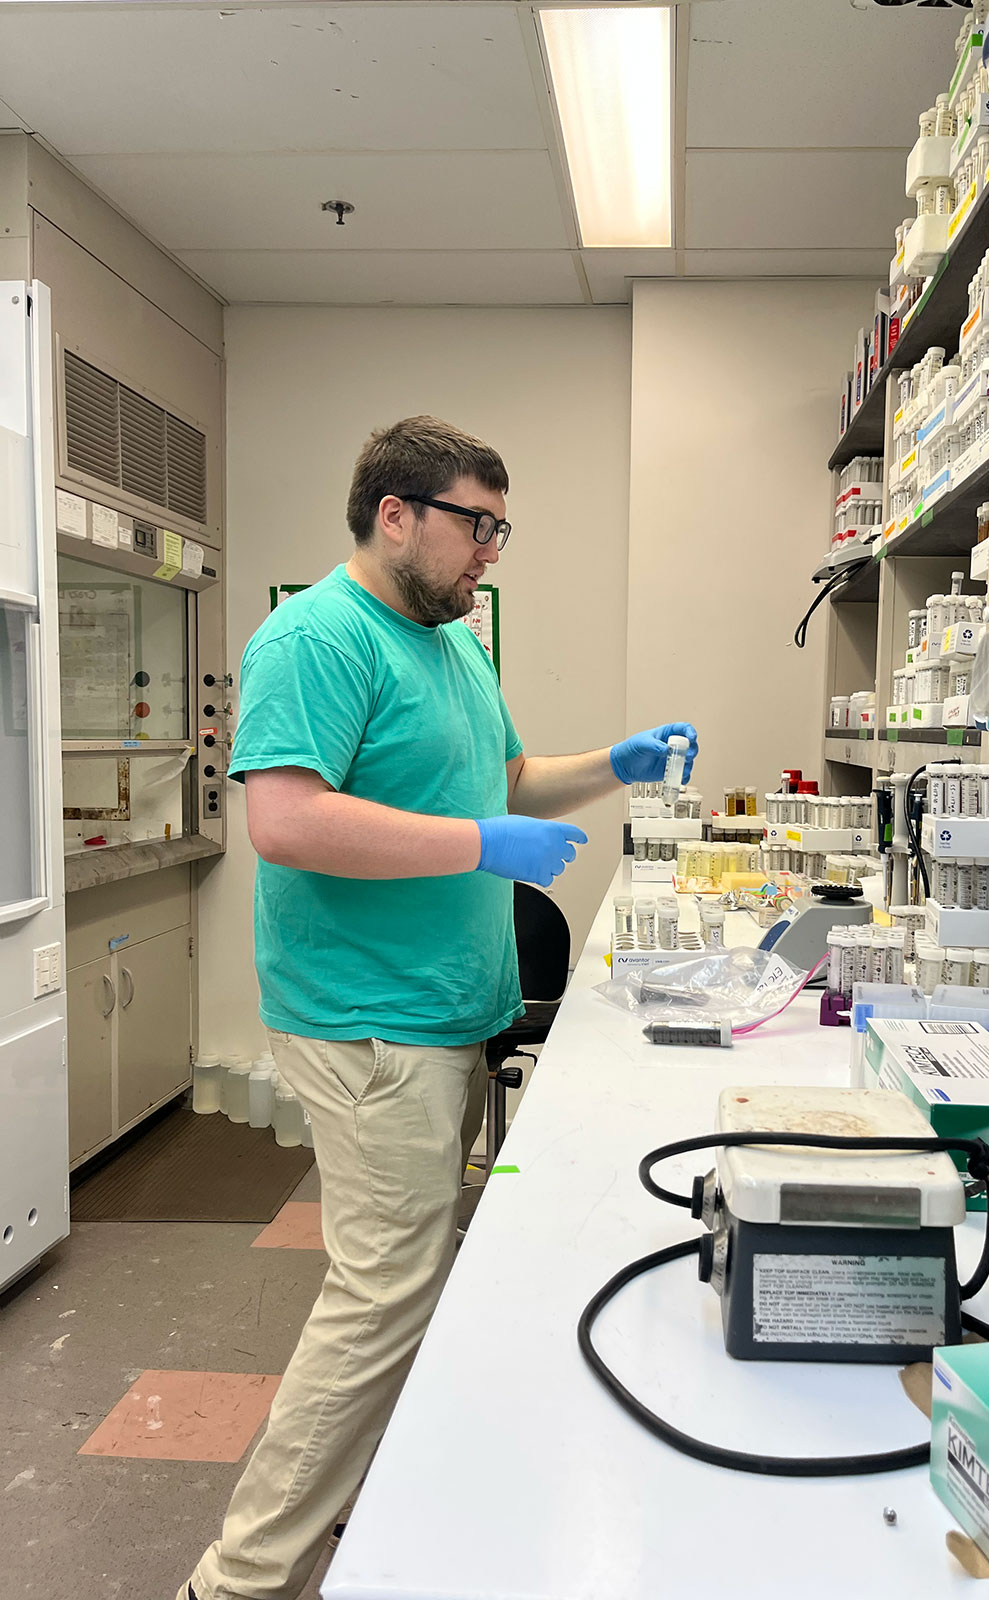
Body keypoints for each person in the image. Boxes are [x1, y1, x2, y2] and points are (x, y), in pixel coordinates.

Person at [179, 415, 697, 1600]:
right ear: (395, 513)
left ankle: (364, 1494)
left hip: (453, 1013)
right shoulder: (315, 637)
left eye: (498, 529)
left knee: (398, 1275)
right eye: (477, 525)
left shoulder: (454, 644)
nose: (490, 555)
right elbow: (287, 819)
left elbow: (506, 780)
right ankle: (239, 1576)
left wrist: (618, 762)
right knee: (383, 1292)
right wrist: (478, 843)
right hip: (370, 1021)